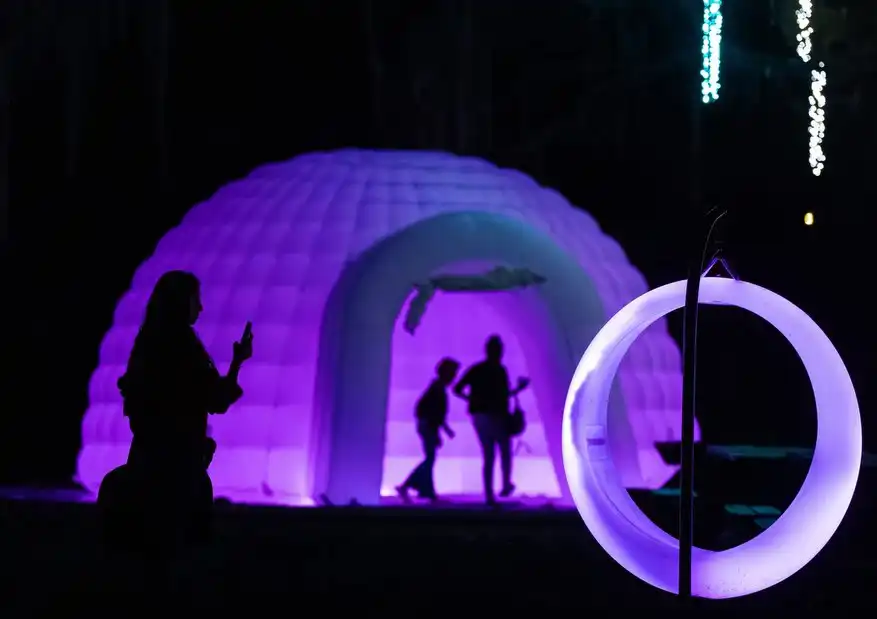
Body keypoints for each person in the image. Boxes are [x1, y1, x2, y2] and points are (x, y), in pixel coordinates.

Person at [102, 270, 253, 553]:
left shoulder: (146, 343)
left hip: (147, 457)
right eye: (196, 299)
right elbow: (215, 399)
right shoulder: (185, 348)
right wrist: (237, 364)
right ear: (182, 301)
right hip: (179, 466)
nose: (201, 307)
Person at [453, 335, 529, 505]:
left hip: (478, 417)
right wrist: (519, 389)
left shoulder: (476, 369)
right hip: (497, 416)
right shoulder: (500, 370)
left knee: (488, 455)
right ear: (499, 351)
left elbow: (457, 389)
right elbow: (503, 396)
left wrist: (471, 400)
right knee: (505, 451)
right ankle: (505, 485)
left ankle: (489, 495)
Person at [396, 358, 460, 503]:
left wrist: (443, 429)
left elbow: (433, 412)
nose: (454, 377)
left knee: (430, 458)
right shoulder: (438, 389)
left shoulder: (436, 388)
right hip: (428, 426)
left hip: (427, 426)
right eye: (453, 373)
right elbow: (435, 413)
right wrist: (442, 430)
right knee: (430, 458)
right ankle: (409, 486)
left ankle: (425, 490)